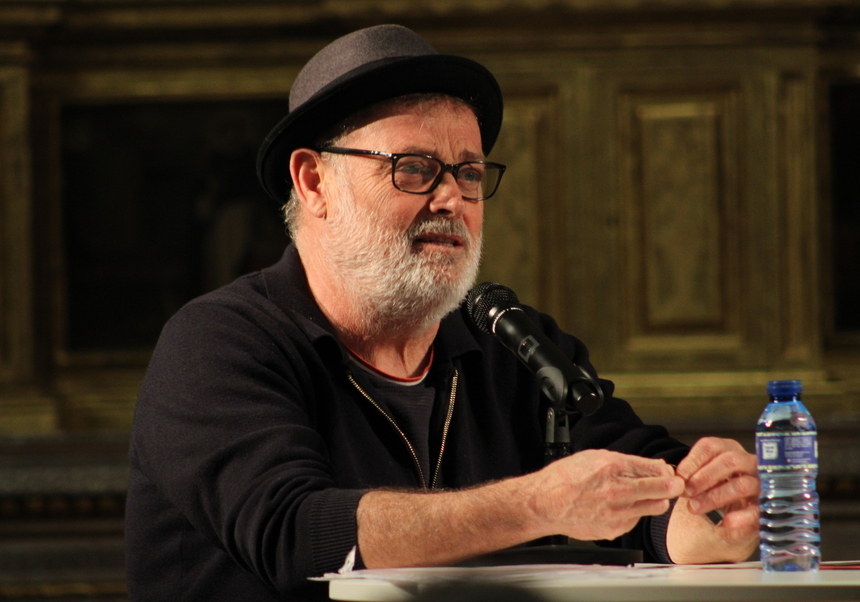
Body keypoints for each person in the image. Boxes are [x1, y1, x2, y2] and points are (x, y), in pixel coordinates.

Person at [125, 24, 760, 602]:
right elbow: (299, 535)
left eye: (470, 171)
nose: (453, 197)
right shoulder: (216, 345)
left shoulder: (515, 345)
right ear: (314, 181)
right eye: (416, 168)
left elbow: (648, 500)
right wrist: (538, 504)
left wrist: (710, 516)